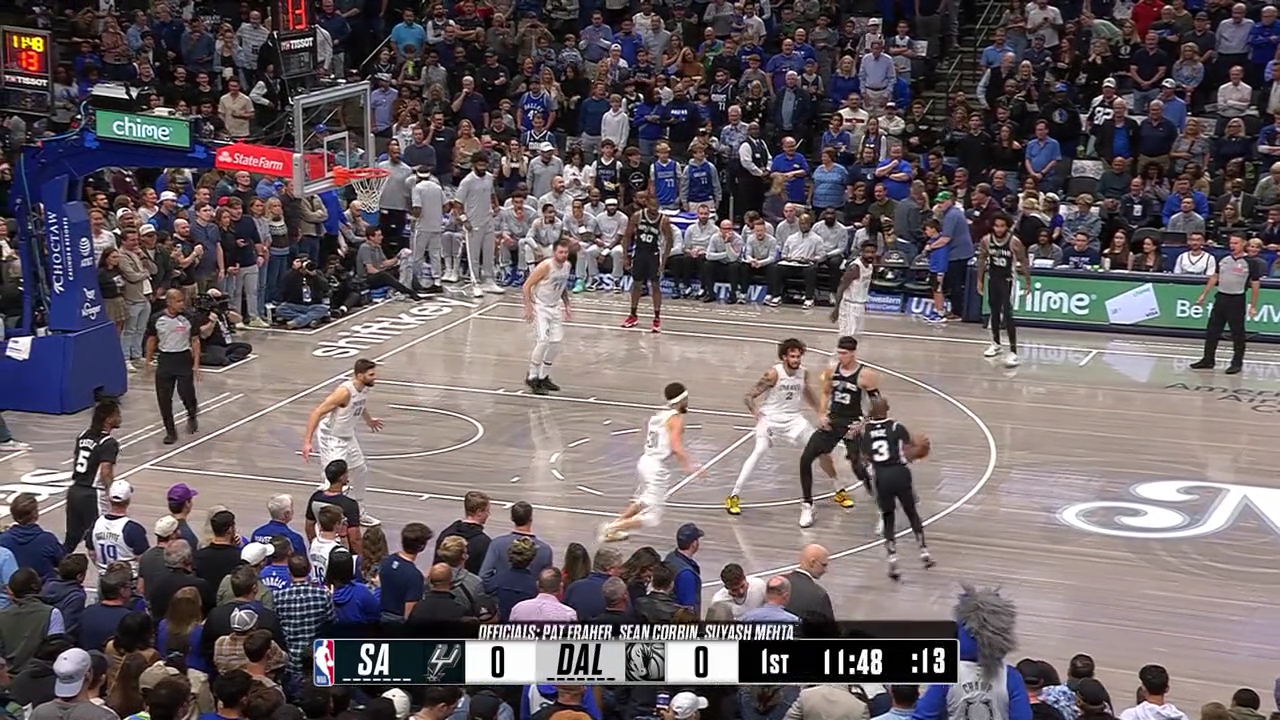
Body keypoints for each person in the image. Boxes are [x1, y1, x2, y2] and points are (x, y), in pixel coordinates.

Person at [726, 339, 822, 517]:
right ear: (784, 357)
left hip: (794, 419)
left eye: (798, 356)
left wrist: (820, 411)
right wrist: (755, 412)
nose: (796, 360)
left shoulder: (803, 373)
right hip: (770, 418)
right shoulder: (773, 374)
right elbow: (748, 396)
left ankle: (839, 488)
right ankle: (734, 495)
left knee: (820, 447)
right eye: (792, 356)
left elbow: (807, 391)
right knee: (759, 451)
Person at [598, 383, 696, 542]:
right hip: (656, 468)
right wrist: (688, 464)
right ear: (682, 399)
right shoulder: (676, 419)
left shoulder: (660, 414)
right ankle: (611, 528)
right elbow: (676, 446)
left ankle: (614, 527)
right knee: (653, 518)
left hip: (645, 461)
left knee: (643, 501)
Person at [797, 336, 877, 529]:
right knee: (806, 459)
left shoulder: (865, 375)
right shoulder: (832, 371)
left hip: (853, 423)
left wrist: (863, 423)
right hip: (833, 421)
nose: (840, 356)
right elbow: (826, 393)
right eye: (839, 353)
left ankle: (874, 491)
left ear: (853, 353)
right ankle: (807, 505)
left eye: (844, 353)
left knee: (857, 465)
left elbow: (878, 404)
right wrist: (822, 413)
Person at [301, 358, 384, 526]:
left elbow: (360, 405)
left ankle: (359, 512)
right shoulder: (344, 392)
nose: (375, 377)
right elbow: (317, 412)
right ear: (360, 375)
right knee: (332, 480)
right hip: (332, 437)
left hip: (348, 435)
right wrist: (307, 442)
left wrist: (369, 420)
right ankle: (322, 518)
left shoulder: (364, 388)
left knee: (360, 470)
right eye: (371, 374)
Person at [861, 395, 934, 580]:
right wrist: (919, 450)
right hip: (900, 473)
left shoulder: (867, 431)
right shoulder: (897, 427)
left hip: (881, 476)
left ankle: (893, 560)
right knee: (911, 512)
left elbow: (864, 458)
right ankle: (924, 552)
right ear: (887, 409)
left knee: (888, 518)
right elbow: (908, 452)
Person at [1191, 233, 1261, 374]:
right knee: (1212, 330)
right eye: (1231, 243)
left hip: (1237, 299)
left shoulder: (1251, 262)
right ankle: (1208, 359)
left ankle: (1237, 362)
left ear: (1243, 244)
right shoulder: (1224, 259)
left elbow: (1255, 284)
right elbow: (1215, 277)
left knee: (1237, 333)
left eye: (1236, 243)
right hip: (1221, 298)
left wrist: (1253, 305)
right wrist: (1204, 294)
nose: (1232, 246)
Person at [64, 398, 122, 554]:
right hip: (92, 494)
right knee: (100, 535)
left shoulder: (82, 435)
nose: (120, 417)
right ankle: (107, 568)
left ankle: (60, 563)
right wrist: (111, 492)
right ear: (108, 419)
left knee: (72, 537)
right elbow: (105, 471)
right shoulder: (109, 442)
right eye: (117, 414)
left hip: (74, 491)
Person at [143, 289, 200, 445]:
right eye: (178, 301)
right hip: (165, 359)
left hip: (183, 358)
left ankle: (192, 413)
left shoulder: (190, 318)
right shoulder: (156, 318)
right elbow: (152, 339)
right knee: (164, 399)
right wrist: (148, 360)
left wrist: (196, 364)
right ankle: (170, 431)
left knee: (186, 393)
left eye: (182, 301)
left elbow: (195, 340)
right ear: (168, 302)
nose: (182, 304)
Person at [976, 212, 1032, 368]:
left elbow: (1023, 261)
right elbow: (982, 259)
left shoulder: (1014, 242)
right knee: (994, 312)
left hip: (1008, 280)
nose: (999, 229)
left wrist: (1028, 281)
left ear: (1007, 226)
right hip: (993, 278)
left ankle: (1013, 352)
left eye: (1002, 226)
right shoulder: (986, 240)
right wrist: (979, 279)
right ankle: (996, 343)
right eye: (996, 226)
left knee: (1007, 314)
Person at [521, 237, 573, 395]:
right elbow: (527, 285)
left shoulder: (567, 266)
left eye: (566, 252)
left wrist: (567, 304)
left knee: (556, 342)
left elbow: (562, 287)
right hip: (541, 306)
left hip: (555, 306)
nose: (563, 255)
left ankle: (544, 376)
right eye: (561, 252)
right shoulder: (545, 266)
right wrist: (528, 307)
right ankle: (532, 376)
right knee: (543, 341)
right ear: (554, 252)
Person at [621, 191, 674, 332]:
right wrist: (625, 256)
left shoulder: (664, 220)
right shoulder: (638, 216)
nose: (654, 208)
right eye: (651, 205)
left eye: (656, 206)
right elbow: (627, 236)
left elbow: (670, 241)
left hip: (654, 255)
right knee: (637, 284)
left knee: (655, 285)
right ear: (647, 204)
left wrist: (664, 261)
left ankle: (657, 318)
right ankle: (633, 315)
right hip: (639, 253)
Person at [456, 151, 504, 296]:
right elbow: (458, 203)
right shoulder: (467, 181)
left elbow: (492, 194)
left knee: (489, 253)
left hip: (488, 220)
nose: (482, 168)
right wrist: (464, 220)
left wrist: (496, 206)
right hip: (473, 223)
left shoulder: (489, 178)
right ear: (474, 165)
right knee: (474, 255)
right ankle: (475, 283)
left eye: (484, 165)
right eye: (480, 165)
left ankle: (489, 280)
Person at [88, 481, 149, 579]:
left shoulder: (96, 523)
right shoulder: (133, 529)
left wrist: (102, 568)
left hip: (105, 577)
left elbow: (92, 553)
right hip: (128, 579)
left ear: (109, 499)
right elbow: (144, 560)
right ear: (128, 501)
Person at [409, 167, 447, 293]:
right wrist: (436, 214)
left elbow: (417, 209)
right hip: (436, 226)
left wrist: (413, 218)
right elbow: (446, 206)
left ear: (417, 176)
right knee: (435, 254)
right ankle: (437, 282)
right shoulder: (437, 187)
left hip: (422, 227)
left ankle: (416, 281)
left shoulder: (417, 188)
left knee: (418, 255)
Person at [831, 241, 878, 343]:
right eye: (867, 252)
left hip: (860, 305)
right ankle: (838, 354)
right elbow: (841, 287)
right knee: (846, 338)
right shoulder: (855, 267)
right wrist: (836, 309)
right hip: (849, 305)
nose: (870, 255)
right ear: (861, 252)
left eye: (873, 252)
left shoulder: (870, 266)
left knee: (856, 338)